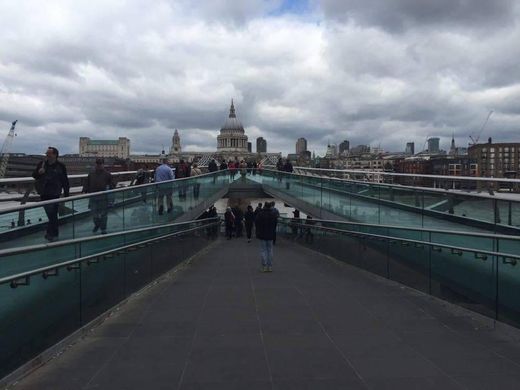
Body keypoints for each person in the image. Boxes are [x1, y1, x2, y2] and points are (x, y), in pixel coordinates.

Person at [32, 146, 70, 241]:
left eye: (49, 154)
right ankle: (55, 232)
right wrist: (39, 173)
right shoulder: (42, 164)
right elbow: (34, 175)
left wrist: (66, 194)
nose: (47, 155)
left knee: (52, 213)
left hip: (55, 193)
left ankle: (50, 233)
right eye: (46, 154)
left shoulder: (61, 166)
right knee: (51, 214)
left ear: (55, 155)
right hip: (44, 192)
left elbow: (65, 180)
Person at [83, 158, 115, 234]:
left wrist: (111, 198)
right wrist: (85, 189)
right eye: (97, 164)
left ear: (103, 165)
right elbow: (87, 182)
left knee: (103, 214)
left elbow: (112, 185)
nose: (98, 165)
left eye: (100, 164)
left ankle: (103, 229)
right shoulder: (91, 173)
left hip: (103, 198)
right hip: (93, 197)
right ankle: (97, 225)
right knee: (94, 214)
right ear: (95, 164)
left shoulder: (107, 174)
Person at [255, 202, 278, 272]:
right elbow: (275, 224)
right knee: (270, 250)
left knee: (263, 250)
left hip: (262, 234)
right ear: (270, 206)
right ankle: (270, 266)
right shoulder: (273, 214)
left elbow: (256, 223)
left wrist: (258, 232)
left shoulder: (260, 214)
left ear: (264, 206)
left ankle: (264, 266)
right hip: (270, 234)